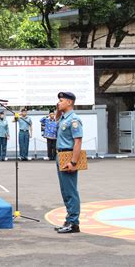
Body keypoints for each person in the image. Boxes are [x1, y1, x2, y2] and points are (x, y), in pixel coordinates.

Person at [54, 92, 83, 234]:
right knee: (65, 190)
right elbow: (56, 120)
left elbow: (78, 141)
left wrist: (73, 162)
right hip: (60, 154)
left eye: (61, 101)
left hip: (67, 155)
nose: (58, 103)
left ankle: (74, 222)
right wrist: (58, 109)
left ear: (69, 102)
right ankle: (69, 219)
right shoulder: (64, 118)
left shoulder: (74, 119)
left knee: (70, 190)